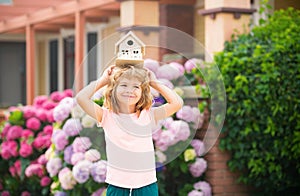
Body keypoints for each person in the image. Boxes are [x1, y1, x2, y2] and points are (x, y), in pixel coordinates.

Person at [76, 64, 183, 196]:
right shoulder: (106, 116)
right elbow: (81, 98)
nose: (130, 90)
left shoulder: (148, 115)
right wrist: (103, 80)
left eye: (136, 86)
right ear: (113, 89)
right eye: (124, 85)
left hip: (146, 185)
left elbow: (177, 103)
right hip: (117, 186)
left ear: (142, 92)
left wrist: (154, 83)